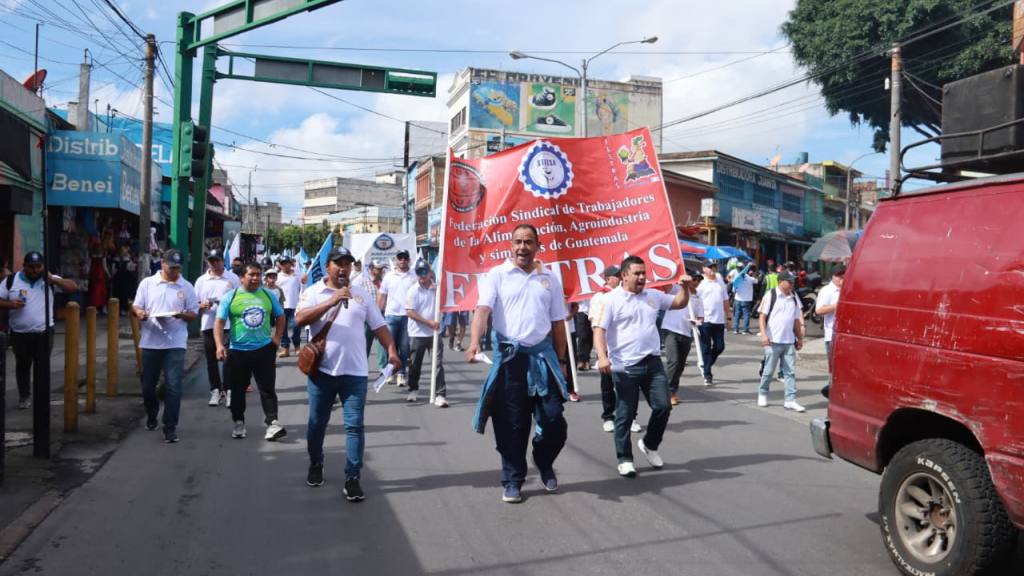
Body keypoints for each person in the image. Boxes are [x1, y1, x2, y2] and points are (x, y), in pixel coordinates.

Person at [466, 224, 570, 504]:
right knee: (511, 424)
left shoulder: (549, 278)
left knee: (553, 421)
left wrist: (561, 361)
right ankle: (513, 479)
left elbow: (558, 322)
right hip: (510, 361)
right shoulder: (497, 275)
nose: (522, 247)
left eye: (528, 242)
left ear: (538, 245)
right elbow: (482, 310)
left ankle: (543, 459)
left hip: (542, 358)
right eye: (517, 242)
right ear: (510, 245)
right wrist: (474, 341)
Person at [296, 246, 400, 502]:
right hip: (322, 372)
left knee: (354, 427)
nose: (343, 268)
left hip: (355, 373)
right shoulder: (313, 292)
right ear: (328, 266)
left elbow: (379, 326)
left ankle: (352, 477)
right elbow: (299, 320)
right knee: (317, 424)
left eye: (348, 264)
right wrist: (331, 301)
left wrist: (392, 351)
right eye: (338, 263)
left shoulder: (361, 294)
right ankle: (316, 463)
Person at [592, 255, 693, 477]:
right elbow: (599, 330)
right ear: (624, 275)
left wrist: (685, 288)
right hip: (624, 365)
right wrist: (602, 356)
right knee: (625, 414)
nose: (641, 277)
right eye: (636, 273)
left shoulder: (653, 295)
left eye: (643, 273)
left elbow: (679, 303)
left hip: (652, 361)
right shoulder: (611, 300)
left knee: (663, 406)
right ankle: (625, 458)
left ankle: (649, 444)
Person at [214, 262, 287, 441]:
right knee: (238, 390)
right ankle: (239, 422)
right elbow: (219, 322)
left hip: (264, 350)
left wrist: (277, 338)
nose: (255, 278)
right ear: (241, 277)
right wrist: (219, 345)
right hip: (238, 352)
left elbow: (280, 316)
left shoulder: (268, 295)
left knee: (267, 389)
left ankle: (272, 423)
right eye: (251, 275)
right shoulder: (230, 297)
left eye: (258, 275)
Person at [132, 249, 198, 443]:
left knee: (174, 386)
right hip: (151, 341)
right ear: (162, 263)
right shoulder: (147, 284)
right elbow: (136, 306)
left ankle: (170, 427)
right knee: (147, 386)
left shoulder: (186, 286)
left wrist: (181, 315)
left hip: (175, 342)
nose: (175, 271)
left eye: (178, 268)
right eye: (172, 267)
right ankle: (152, 414)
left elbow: (193, 313)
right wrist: (140, 313)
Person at [0, 252, 77, 409]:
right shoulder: (11, 280)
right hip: (19, 333)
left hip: (44, 331)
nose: (35, 270)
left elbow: (72, 287)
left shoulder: (48, 279)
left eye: (38, 267)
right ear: (24, 266)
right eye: (31, 267)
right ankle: (24, 396)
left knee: (42, 365)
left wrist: (53, 279)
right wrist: (9, 304)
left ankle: (42, 397)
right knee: (22, 365)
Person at [588, 265, 640, 433]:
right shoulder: (600, 297)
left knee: (631, 385)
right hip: (609, 348)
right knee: (608, 384)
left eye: (621, 275)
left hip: (628, 349)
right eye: (616, 276)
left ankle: (630, 417)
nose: (620, 278)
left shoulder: (631, 295)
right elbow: (595, 324)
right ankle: (609, 416)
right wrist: (601, 352)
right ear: (608, 278)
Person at [195, 250, 240, 407]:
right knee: (211, 360)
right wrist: (202, 305)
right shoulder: (202, 280)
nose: (214, 263)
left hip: (227, 325)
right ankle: (215, 389)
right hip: (208, 324)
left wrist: (225, 305)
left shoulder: (232, 278)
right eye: (211, 260)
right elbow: (194, 303)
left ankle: (228, 389)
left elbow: (240, 299)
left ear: (223, 261)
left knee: (228, 359)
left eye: (217, 260)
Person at [757, 271, 806, 412]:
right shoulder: (771, 295)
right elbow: (762, 317)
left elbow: (796, 319)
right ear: (781, 281)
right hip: (773, 340)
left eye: (793, 282)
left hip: (789, 341)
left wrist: (799, 338)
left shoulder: (794, 297)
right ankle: (763, 393)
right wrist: (764, 335)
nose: (792, 284)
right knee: (768, 370)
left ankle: (790, 400)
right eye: (789, 281)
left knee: (790, 372)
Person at [404, 261, 447, 406]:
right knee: (415, 363)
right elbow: (410, 312)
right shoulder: (413, 290)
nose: (421, 275)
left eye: (424, 272)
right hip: (418, 333)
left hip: (435, 333)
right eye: (419, 272)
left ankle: (440, 394)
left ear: (430, 273)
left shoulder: (437, 289)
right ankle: (413, 389)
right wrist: (428, 322)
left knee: (438, 364)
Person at [377, 250, 417, 386]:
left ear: (409, 260)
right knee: (389, 346)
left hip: (408, 316)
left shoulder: (414, 276)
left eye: (405, 258)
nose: (403, 260)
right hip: (391, 316)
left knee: (404, 347)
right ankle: (390, 372)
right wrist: (377, 315)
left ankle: (401, 373)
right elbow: (382, 295)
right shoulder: (389, 276)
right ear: (396, 260)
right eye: (400, 258)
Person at [661, 279, 702, 406]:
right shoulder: (676, 289)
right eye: (693, 280)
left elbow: (701, 318)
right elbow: (665, 285)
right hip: (670, 330)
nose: (694, 282)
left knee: (680, 365)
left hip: (686, 333)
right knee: (673, 361)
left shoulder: (698, 299)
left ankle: (671, 389)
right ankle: (667, 392)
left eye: (697, 281)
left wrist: (697, 322)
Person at [696, 261, 731, 386]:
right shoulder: (700, 283)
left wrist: (728, 317)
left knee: (719, 346)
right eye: (709, 267)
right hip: (705, 320)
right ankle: (707, 374)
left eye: (714, 267)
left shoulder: (720, 281)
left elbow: (725, 300)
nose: (712, 269)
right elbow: (695, 301)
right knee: (705, 348)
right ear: (704, 269)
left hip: (719, 320)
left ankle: (706, 364)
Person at [815, 265, 845, 398]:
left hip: (845, 334)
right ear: (833, 276)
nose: (841, 279)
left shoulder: (847, 289)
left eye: (843, 276)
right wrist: (837, 305)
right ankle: (831, 394)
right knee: (835, 369)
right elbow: (819, 310)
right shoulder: (827, 291)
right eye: (839, 276)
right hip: (832, 335)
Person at [276, 255, 303, 357]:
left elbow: (303, 289)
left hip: (296, 305)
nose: (286, 266)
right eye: (283, 264)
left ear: (290, 264)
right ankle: (285, 349)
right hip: (282, 306)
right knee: (283, 329)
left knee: (297, 327)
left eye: (287, 263)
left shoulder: (298, 275)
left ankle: (297, 347)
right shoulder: (278, 277)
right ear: (280, 265)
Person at [731, 263, 758, 335]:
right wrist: (753, 273)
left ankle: (736, 329)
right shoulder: (749, 278)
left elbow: (734, 290)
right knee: (746, 315)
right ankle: (745, 330)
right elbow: (756, 281)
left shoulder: (736, 279)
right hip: (747, 299)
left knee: (737, 315)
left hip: (738, 299)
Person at [110, 246, 137, 315]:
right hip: (120, 279)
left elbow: (131, 269)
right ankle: (119, 309)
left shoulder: (126, 260)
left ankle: (123, 309)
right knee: (119, 294)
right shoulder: (118, 260)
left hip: (123, 279)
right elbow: (113, 270)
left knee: (123, 294)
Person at [574, 297, 593, 370]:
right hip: (581, 310)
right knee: (582, 335)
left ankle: (587, 359)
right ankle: (580, 360)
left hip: (594, 310)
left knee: (590, 336)